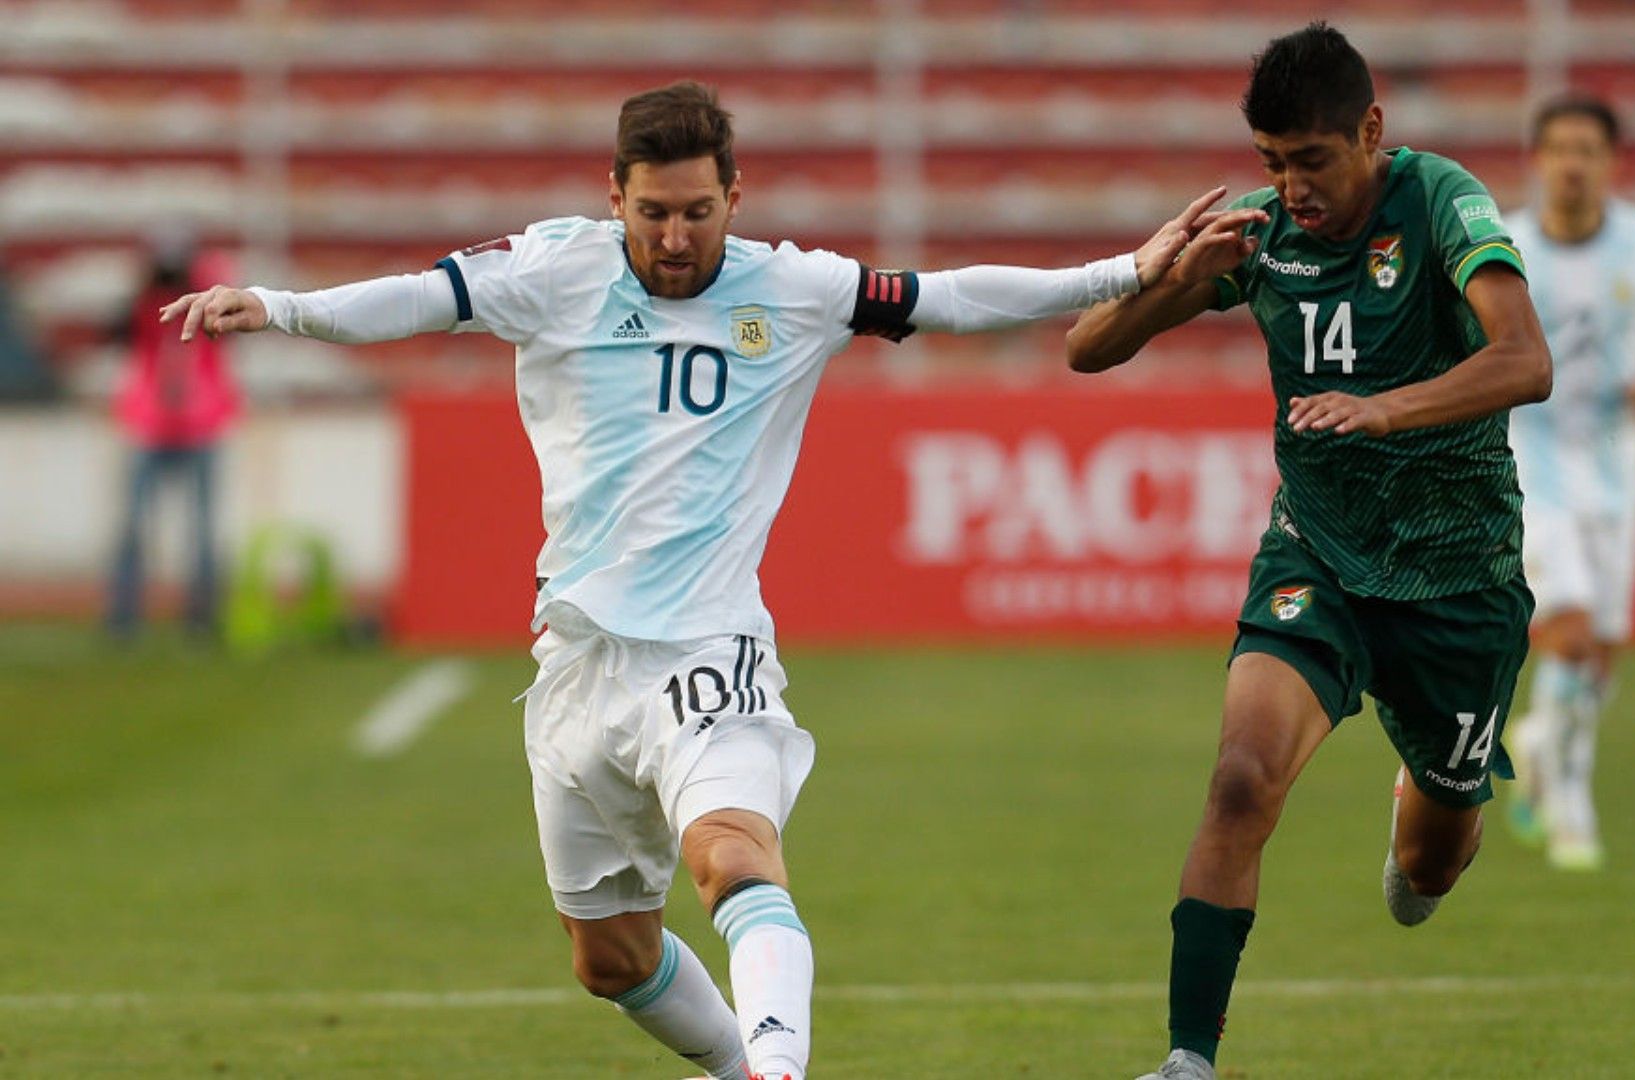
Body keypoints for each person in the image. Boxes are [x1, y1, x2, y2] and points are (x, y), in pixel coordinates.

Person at [161, 81, 1257, 1080]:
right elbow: (417, 298)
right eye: (653, 213)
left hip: (708, 647)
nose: (676, 237)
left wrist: (1125, 273)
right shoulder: (554, 271)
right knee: (609, 958)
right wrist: (281, 306)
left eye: (697, 211)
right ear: (615, 198)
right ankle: (743, 1067)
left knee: (731, 856)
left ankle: (778, 1071)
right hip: (576, 665)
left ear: (736, 196)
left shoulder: (794, 288)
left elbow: (951, 297)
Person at [1063, 24, 1552, 1080]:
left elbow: (1526, 360)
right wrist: (1168, 275)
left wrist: (1385, 410)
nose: (1292, 188)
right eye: (1271, 162)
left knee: (1429, 871)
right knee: (1241, 780)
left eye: (1312, 161)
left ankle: (1427, 788)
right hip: (1317, 557)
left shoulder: (1440, 201)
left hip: (1456, 578)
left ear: (1371, 131)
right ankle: (1188, 1061)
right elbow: (1086, 349)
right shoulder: (1263, 233)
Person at [1502, 94, 1635, 872]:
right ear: (1538, 159)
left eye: (1587, 150)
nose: (1572, 165)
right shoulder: (1508, 246)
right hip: (1531, 458)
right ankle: (1570, 802)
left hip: (1618, 464)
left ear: (1611, 161)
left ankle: (1538, 741)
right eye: (1559, 149)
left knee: (1604, 654)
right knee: (1573, 632)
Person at [108, 235, 242, 639]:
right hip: (154, 426)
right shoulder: (143, 308)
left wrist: (202, 282)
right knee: (135, 527)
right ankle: (125, 616)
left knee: (201, 531)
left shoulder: (208, 306)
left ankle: (200, 616)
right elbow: (118, 329)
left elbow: (233, 310)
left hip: (197, 426)